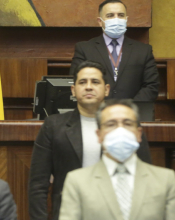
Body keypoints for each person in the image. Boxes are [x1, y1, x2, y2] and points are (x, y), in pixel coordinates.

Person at [29, 61, 151, 220]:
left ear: (106, 89)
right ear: (73, 90)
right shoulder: (53, 126)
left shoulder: (127, 124)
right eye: (82, 82)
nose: (88, 87)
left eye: (95, 82)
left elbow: (144, 178)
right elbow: (38, 185)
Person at [59, 99, 175, 220]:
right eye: (111, 124)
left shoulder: (166, 180)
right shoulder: (77, 181)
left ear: (139, 133)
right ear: (99, 135)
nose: (121, 131)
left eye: (128, 124)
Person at [69, 0, 159, 101]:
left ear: (126, 19)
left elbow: (152, 85)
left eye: (120, 15)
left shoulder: (143, 50)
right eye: (110, 15)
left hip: (134, 114)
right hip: (96, 113)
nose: (116, 19)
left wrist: (128, 108)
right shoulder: (84, 49)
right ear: (100, 21)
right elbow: (76, 82)